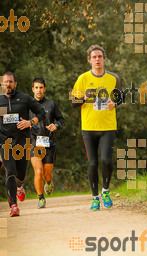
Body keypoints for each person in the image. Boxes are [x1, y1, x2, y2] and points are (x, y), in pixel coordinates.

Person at [72, 44, 123, 211]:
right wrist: (84, 97)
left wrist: (114, 103)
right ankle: (95, 198)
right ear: (89, 60)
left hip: (108, 126)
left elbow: (121, 96)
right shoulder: (82, 79)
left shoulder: (113, 78)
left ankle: (105, 191)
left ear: (104, 59)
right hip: (88, 127)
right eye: (94, 57)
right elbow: (73, 103)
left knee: (106, 160)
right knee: (93, 163)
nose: (97, 59)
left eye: (100, 56)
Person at [0, 72, 45, 217]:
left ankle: (19, 186)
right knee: (10, 171)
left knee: (21, 174)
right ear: (2, 84)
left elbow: (41, 113)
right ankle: (13, 205)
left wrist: (30, 122)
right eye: (6, 82)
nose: (8, 84)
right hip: (4, 143)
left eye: (11, 82)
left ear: (15, 83)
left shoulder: (25, 99)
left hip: (22, 142)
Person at [30, 78, 64, 208]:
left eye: (41, 87)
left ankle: (49, 183)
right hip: (33, 142)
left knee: (46, 174)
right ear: (33, 89)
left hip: (48, 143)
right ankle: (41, 198)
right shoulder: (27, 105)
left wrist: (56, 125)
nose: (39, 90)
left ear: (44, 89)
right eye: (36, 87)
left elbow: (61, 119)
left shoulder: (51, 104)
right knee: (38, 172)